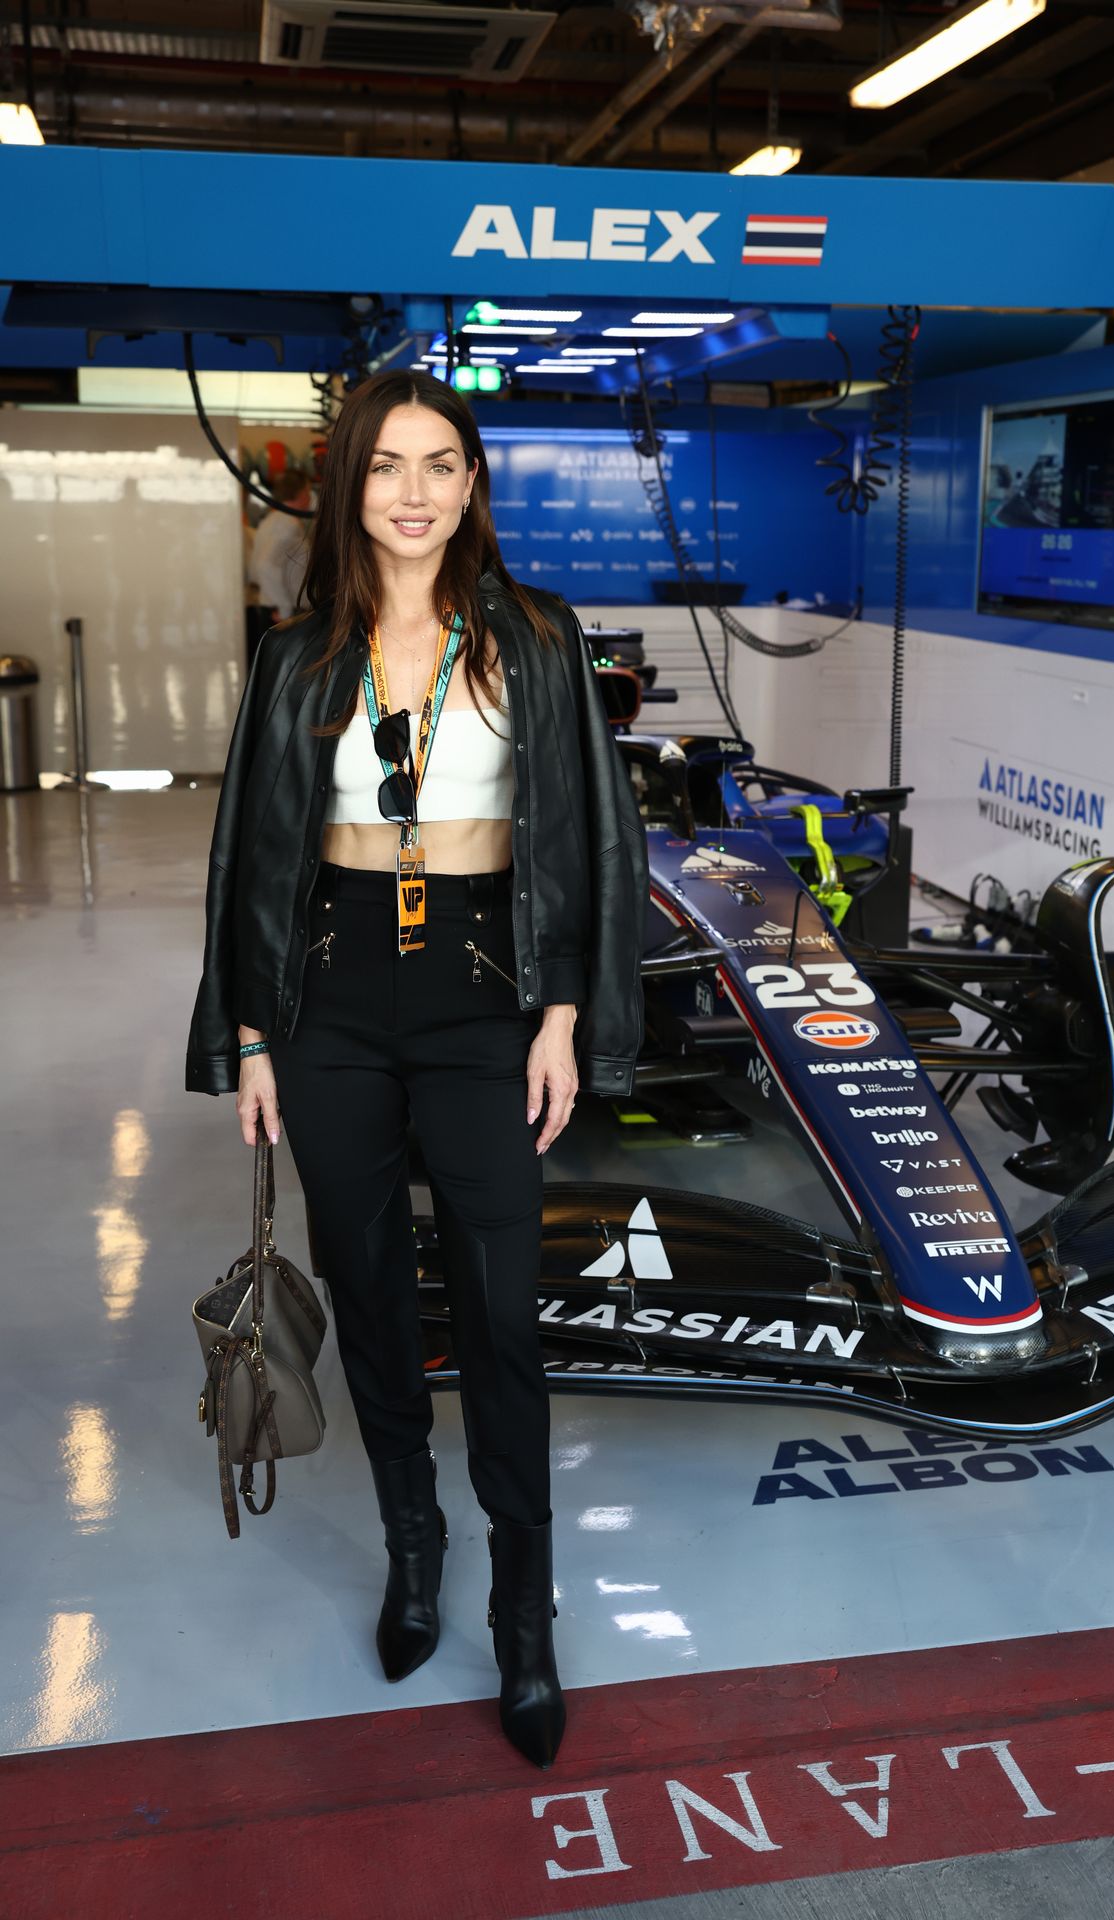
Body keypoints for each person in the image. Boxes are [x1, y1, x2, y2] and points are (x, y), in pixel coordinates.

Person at [185, 369, 648, 1770]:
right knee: (372, 1291)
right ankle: (412, 1542)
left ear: (472, 483)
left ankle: (523, 1609)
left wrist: (562, 1013)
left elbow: (586, 837)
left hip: (484, 993)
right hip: (331, 997)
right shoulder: (297, 653)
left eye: (439, 463)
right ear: (349, 484)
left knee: (501, 1312)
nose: (412, 491)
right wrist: (252, 1034)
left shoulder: (535, 635)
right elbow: (252, 858)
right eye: (386, 464)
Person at [249, 470, 312, 621]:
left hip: (272, 606)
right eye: (308, 491)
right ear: (301, 494)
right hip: (284, 611)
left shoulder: (269, 521)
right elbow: (265, 565)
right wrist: (285, 610)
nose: (310, 497)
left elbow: (256, 569)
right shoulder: (288, 524)